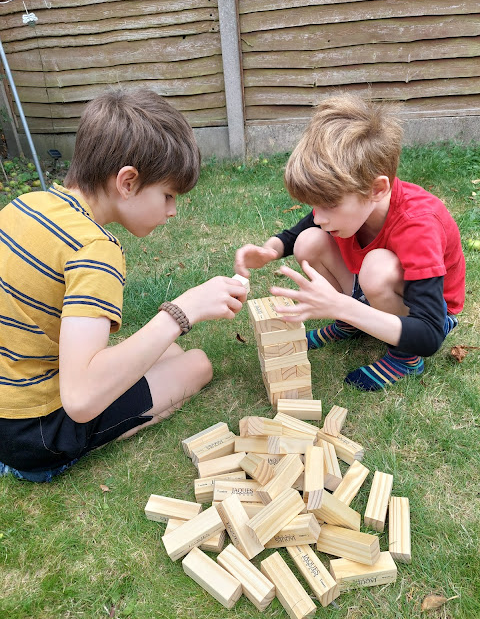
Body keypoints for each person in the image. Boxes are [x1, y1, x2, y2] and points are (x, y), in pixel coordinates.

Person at [0, 88, 247, 482]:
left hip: (8, 397)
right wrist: (183, 311)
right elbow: (80, 401)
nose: (172, 211)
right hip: (34, 434)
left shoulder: (25, 206)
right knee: (196, 364)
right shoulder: (94, 250)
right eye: (167, 195)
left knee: (169, 352)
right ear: (128, 182)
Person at [235, 93, 465, 392]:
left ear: (377, 189)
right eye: (314, 205)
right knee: (309, 242)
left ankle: (406, 359)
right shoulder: (352, 204)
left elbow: (429, 334)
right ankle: (354, 324)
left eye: (328, 205)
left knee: (376, 267)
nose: (318, 216)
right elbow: (299, 231)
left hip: (430, 315)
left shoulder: (418, 224)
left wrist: (339, 305)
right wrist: (272, 250)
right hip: (380, 296)